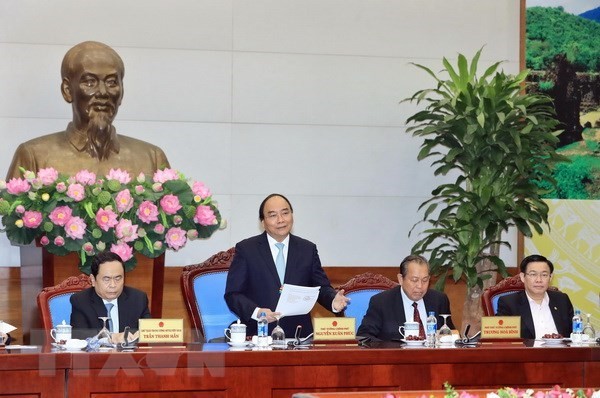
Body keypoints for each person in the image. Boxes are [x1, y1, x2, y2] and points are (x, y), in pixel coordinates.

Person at [6, 40, 169, 180]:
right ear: (68, 90)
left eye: (112, 82)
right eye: (90, 82)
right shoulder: (33, 156)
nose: (103, 92)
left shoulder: (151, 158)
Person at [224, 193, 349, 338]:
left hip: (299, 334)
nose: (281, 220)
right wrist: (258, 313)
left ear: (292, 215)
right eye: (272, 215)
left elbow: (321, 287)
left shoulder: (307, 249)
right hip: (259, 334)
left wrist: (333, 299)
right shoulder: (247, 249)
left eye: (285, 213)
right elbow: (233, 294)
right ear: (263, 222)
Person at [357, 254, 454, 341]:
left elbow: (451, 335)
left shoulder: (439, 300)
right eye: (414, 280)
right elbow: (364, 336)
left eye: (425, 280)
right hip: (396, 359)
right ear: (401, 279)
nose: (420, 286)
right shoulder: (381, 302)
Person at [70, 251, 151, 342]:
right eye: (106, 279)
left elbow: (148, 331)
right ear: (93, 280)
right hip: (96, 355)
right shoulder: (81, 301)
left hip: (128, 355)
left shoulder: (138, 299)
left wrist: (142, 334)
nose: (113, 285)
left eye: (118, 278)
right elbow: (78, 334)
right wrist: (111, 337)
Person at [496, 254, 573, 339]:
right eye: (533, 274)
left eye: (544, 275)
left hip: (562, 351)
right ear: (522, 277)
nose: (539, 280)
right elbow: (501, 338)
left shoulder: (562, 300)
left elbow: (575, 334)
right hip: (527, 352)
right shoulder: (509, 303)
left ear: (550, 278)